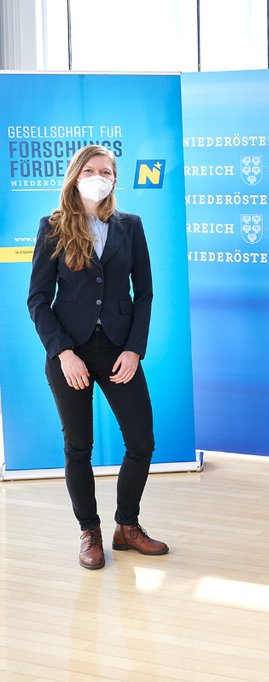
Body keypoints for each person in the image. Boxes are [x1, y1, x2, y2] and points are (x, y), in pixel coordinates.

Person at [27, 144, 168, 570]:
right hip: (70, 350)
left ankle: (127, 526)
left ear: (114, 179)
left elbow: (144, 294)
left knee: (142, 441)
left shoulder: (130, 225)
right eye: (90, 170)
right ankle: (89, 531)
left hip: (119, 349)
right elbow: (37, 300)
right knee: (78, 447)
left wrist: (133, 349)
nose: (99, 176)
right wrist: (63, 352)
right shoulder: (52, 227)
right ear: (75, 175)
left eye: (106, 171)